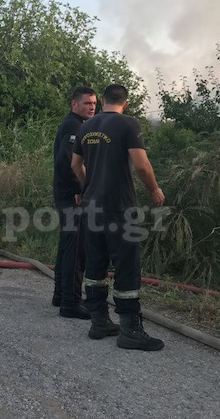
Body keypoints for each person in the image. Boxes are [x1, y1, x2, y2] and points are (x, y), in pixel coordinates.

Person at [72, 84, 165, 351]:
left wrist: (89, 187)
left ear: (102, 101)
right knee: (126, 265)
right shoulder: (128, 124)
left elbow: (75, 165)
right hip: (118, 207)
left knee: (95, 264)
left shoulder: (86, 126)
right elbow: (141, 164)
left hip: (91, 206)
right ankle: (130, 330)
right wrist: (154, 190)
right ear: (126, 102)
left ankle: (99, 321)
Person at [52, 87, 97, 319]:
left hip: (65, 193)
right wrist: (79, 189)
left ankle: (60, 295)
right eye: (87, 103)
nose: (92, 107)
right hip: (72, 196)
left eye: (94, 103)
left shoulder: (74, 124)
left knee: (67, 245)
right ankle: (70, 303)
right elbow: (67, 160)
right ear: (74, 104)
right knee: (76, 249)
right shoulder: (75, 126)